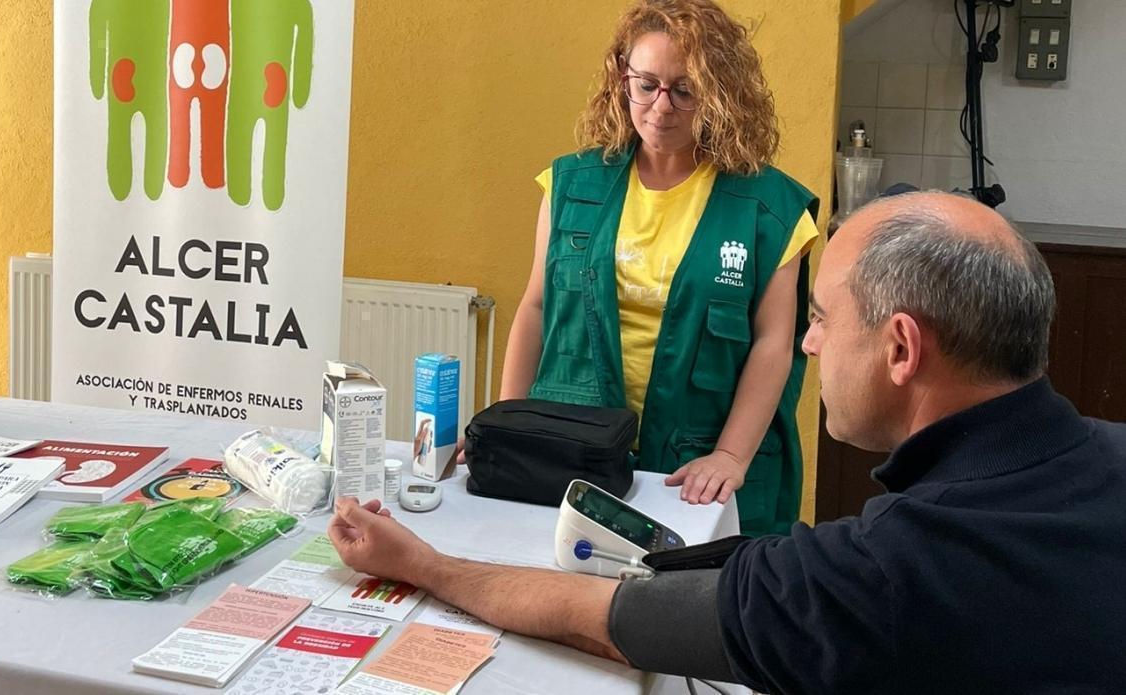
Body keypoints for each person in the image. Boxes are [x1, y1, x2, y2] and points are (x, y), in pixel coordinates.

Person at [330, 191, 1126, 693]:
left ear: (901, 350)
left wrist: (420, 563)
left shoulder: (887, 571)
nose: (808, 347)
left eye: (820, 319)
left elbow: (606, 615)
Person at [498, 0, 820, 535]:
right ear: (622, 81)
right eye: (645, 84)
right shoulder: (570, 186)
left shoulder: (770, 208)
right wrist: (508, 427)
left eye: (685, 89)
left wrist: (731, 458)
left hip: (696, 469)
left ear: (719, 92)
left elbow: (773, 345)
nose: (661, 106)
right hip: (577, 454)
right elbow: (535, 307)